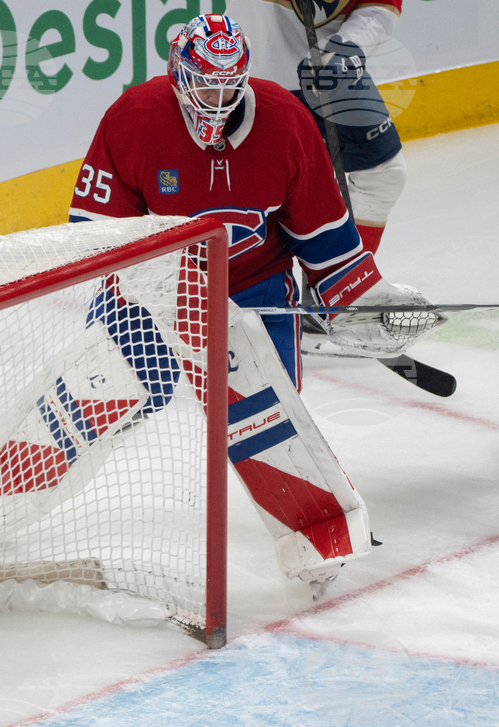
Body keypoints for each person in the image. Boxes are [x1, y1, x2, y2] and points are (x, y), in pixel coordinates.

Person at [67, 14, 442, 593]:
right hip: (154, 288)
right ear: (178, 73)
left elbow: (327, 242)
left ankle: (318, 537)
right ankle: (4, 489)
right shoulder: (133, 119)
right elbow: (93, 234)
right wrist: (150, 289)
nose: (217, 101)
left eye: (228, 85)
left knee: (269, 419)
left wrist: (368, 303)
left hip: (256, 291)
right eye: (205, 85)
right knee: (94, 396)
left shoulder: (287, 122)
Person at [221, 0, 406, 258]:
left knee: (384, 174)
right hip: (253, 68)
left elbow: (380, 7)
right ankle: (249, 283)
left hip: (329, 65)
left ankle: (349, 278)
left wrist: (346, 46)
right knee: (250, 191)